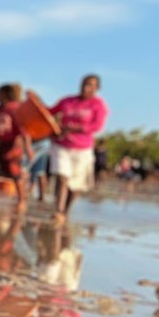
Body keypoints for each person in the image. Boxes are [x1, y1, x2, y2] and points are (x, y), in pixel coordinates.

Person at [50, 74, 108, 221]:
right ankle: (59, 210)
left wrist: (75, 128)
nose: (85, 87)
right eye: (84, 84)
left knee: (75, 184)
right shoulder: (67, 101)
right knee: (62, 177)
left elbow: (97, 126)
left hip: (83, 148)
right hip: (62, 144)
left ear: (97, 88)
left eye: (90, 85)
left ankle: (66, 211)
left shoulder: (98, 105)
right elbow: (50, 113)